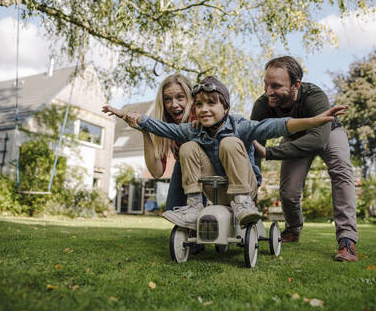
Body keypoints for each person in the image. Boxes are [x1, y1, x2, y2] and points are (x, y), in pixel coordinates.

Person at [103, 76, 347, 230]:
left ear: (226, 107)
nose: (204, 109)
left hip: (244, 188)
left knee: (230, 143)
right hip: (215, 190)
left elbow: (279, 125)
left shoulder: (240, 125)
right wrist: (128, 116)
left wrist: (315, 120)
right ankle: (195, 206)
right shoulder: (192, 130)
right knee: (188, 147)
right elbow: (162, 127)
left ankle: (242, 203)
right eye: (199, 105)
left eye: (211, 104)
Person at [250, 56, 359, 262]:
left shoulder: (314, 96)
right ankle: (293, 228)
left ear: (296, 85)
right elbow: (253, 148)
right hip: (294, 137)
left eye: (276, 86)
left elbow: (318, 141)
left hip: (328, 133)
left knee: (341, 171)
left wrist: (271, 152)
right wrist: (249, 197)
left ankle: (347, 240)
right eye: (266, 84)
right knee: (289, 192)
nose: (268, 91)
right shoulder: (263, 105)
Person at [140, 73, 195, 211]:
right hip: (183, 165)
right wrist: (145, 132)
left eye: (180, 97)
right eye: (167, 99)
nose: (174, 105)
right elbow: (157, 172)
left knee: (188, 149)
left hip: (208, 167)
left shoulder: (200, 117)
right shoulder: (165, 125)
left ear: (191, 98)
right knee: (174, 210)